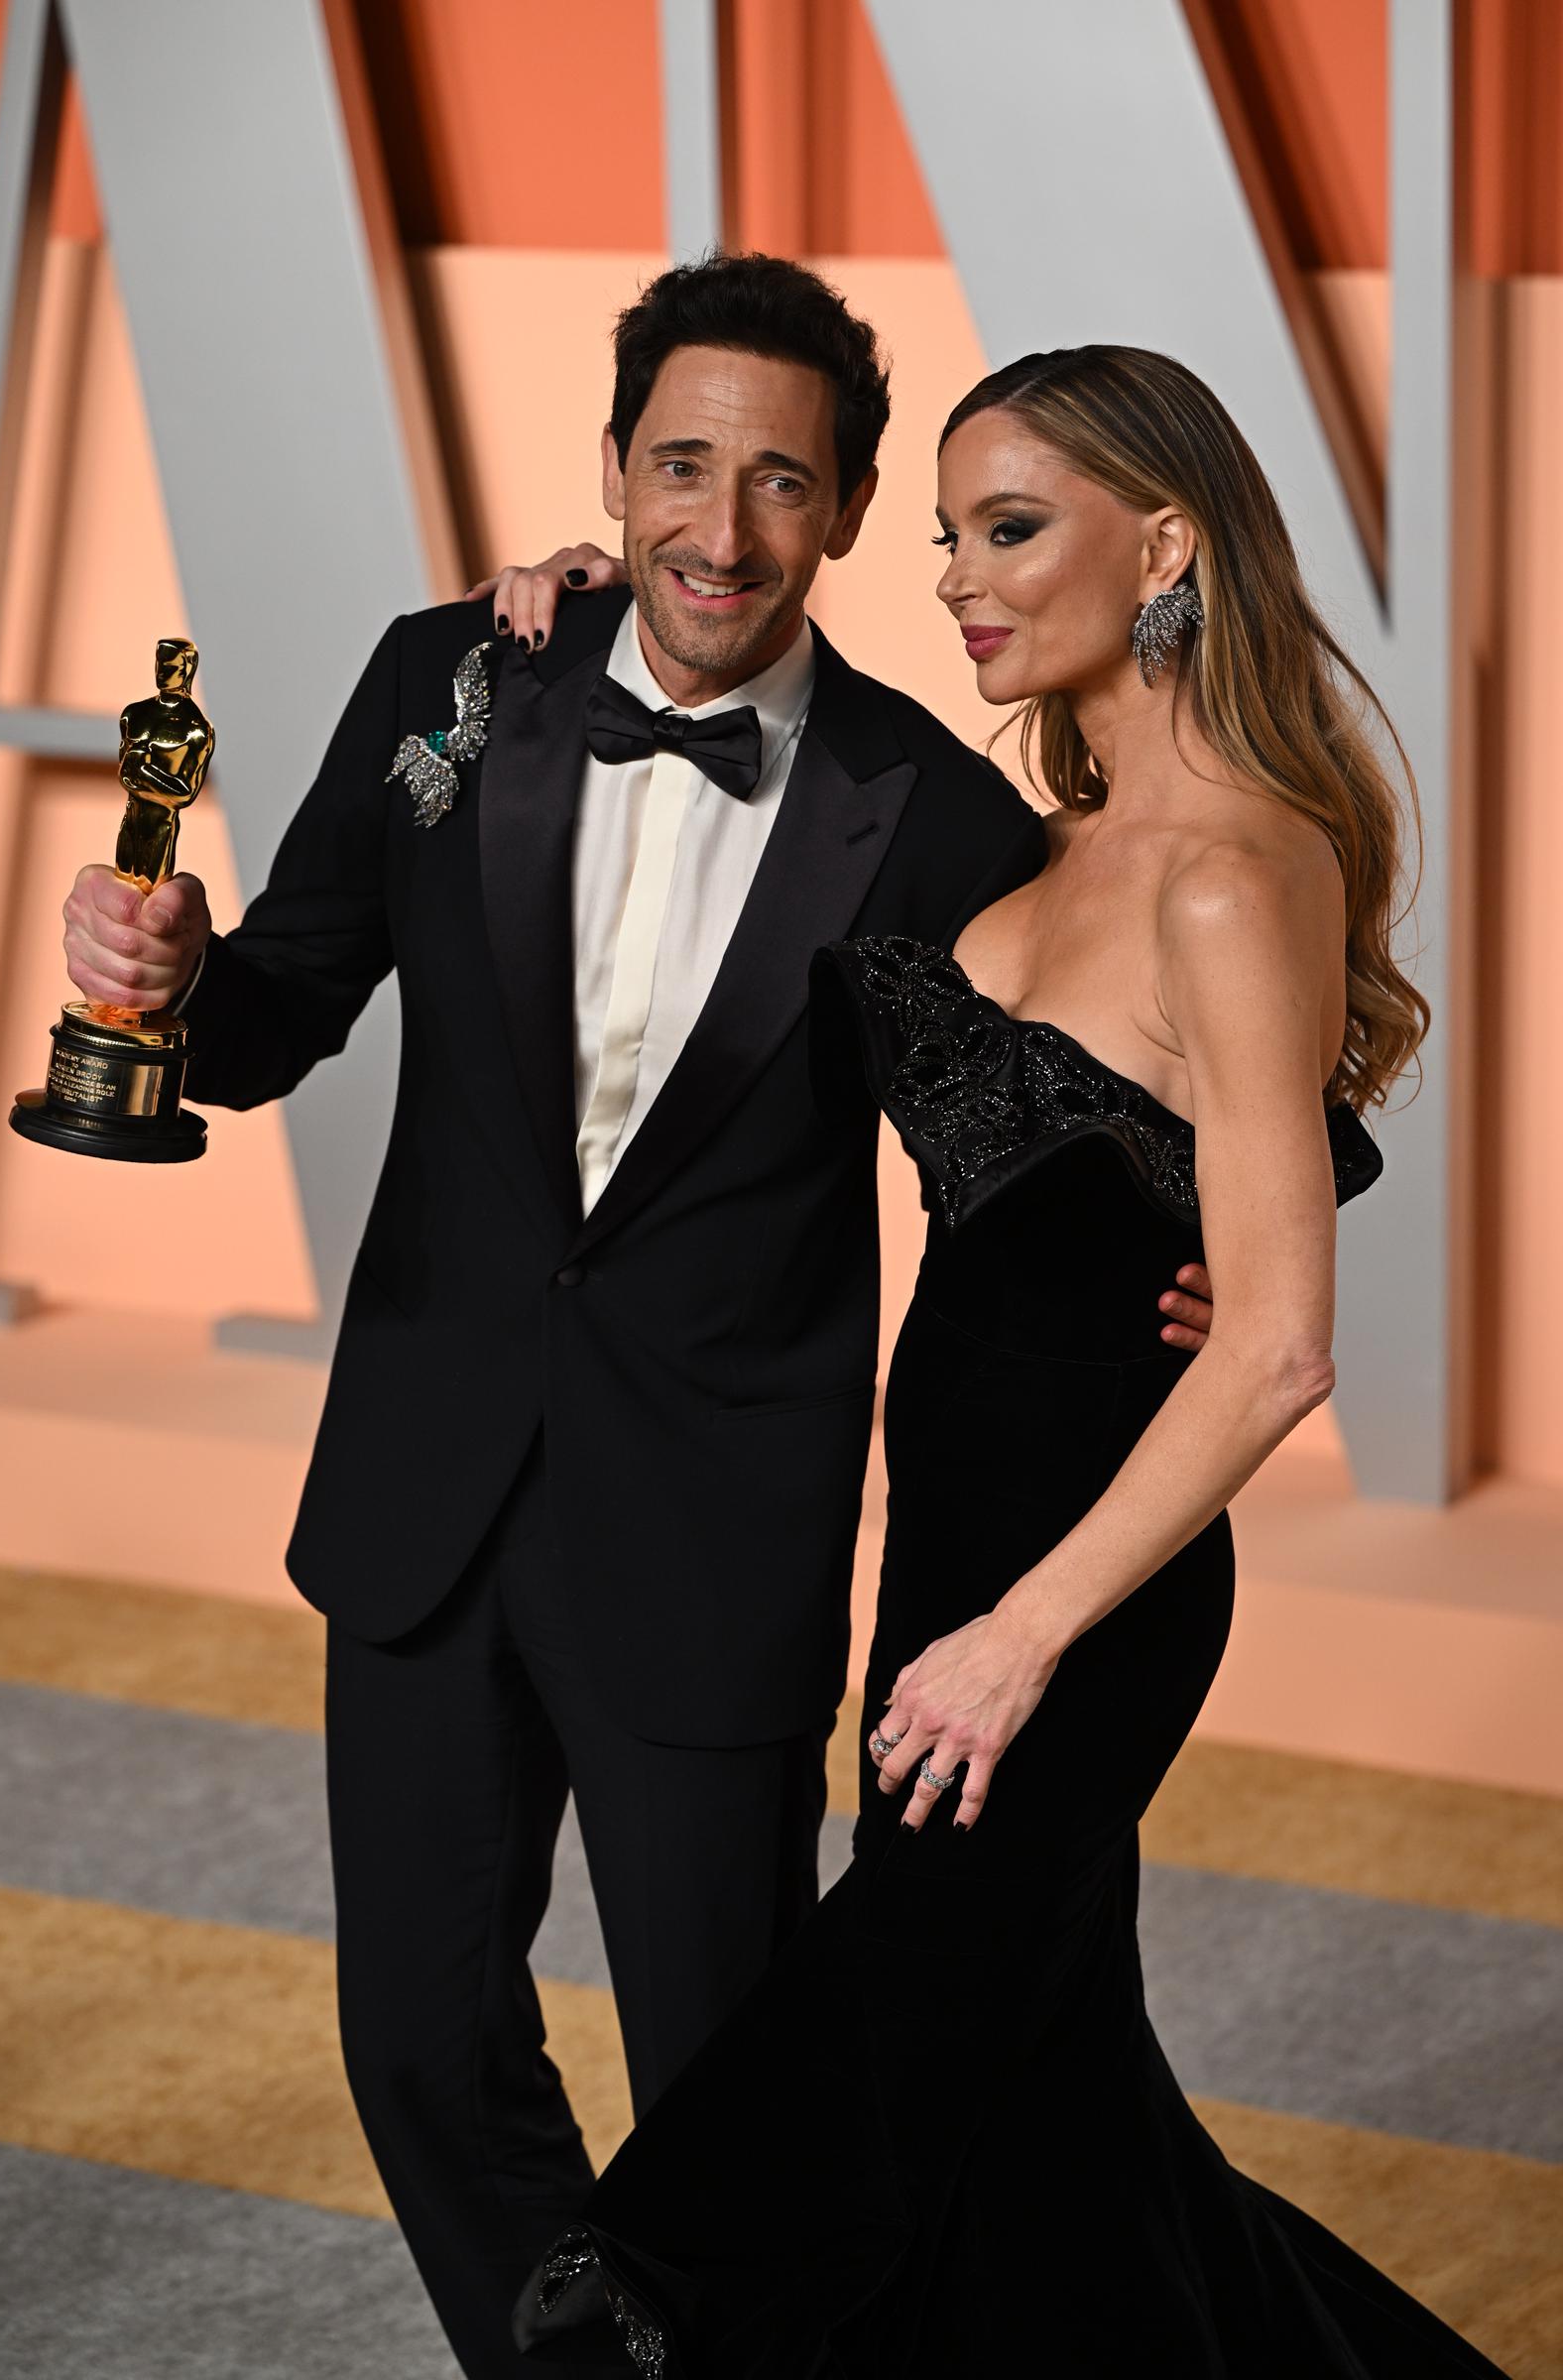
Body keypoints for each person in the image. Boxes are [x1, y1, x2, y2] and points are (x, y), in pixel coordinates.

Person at [56, 257, 1214, 2380]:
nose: (719, 527)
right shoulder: (449, 686)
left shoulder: (928, 808)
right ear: (610, 469)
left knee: (727, 2096)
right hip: (420, 1493)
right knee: (415, 2044)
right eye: (678, 465)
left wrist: (1202, 1225)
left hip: (711, 1531)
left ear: (850, 512)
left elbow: (1109, 1053)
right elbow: (282, 1006)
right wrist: (170, 974)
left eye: (780, 480)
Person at [504, 348, 1509, 2377]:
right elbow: (1181, 1169)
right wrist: (581, 613)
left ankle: (645, 2282)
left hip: (1079, 1591)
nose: (956, 577)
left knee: (907, 1987)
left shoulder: (1233, 869)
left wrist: (1022, 1637)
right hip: (945, 1547)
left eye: (1009, 528)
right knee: (1053, 2113)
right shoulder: (1035, 840)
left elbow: (1280, 1346)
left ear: (1162, 542)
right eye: (950, 530)